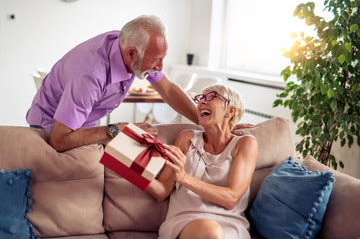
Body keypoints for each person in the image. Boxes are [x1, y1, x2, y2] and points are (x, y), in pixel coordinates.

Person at [26, 15, 252, 152]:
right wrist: (117, 130)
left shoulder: (130, 44)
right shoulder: (89, 76)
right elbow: (59, 139)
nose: (160, 67)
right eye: (156, 61)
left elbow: (170, 90)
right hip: (50, 130)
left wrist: (210, 125)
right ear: (131, 54)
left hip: (83, 124)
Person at [147, 83, 258, 239]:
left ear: (230, 111)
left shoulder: (245, 144)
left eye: (211, 97)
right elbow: (162, 191)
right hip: (185, 223)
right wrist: (133, 170)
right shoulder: (186, 138)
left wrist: (184, 177)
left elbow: (231, 199)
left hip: (231, 226)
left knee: (212, 232)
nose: (202, 102)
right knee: (209, 231)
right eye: (201, 98)